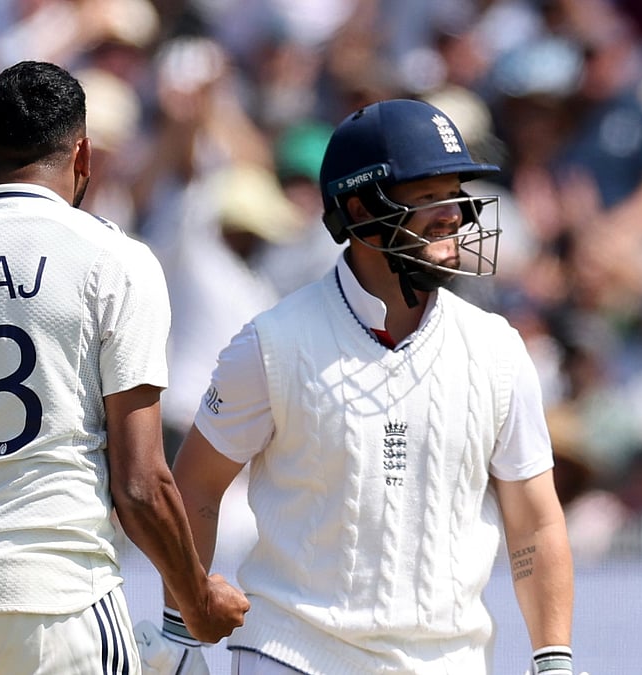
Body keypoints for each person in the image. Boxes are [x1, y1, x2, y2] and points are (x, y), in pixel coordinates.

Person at [139, 99, 576, 674]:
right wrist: (180, 633)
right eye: (427, 197)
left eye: (456, 193)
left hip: (449, 661)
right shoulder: (273, 342)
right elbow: (195, 488)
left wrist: (554, 661)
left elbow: (535, 519)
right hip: (292, 653)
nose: (455, 214)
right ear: (358, 207)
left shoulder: (497, 349)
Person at [0, 61, 248, 675]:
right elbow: (141, 483)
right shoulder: (113, 260)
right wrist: (197, 601)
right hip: (57, 598)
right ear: (83, 154)